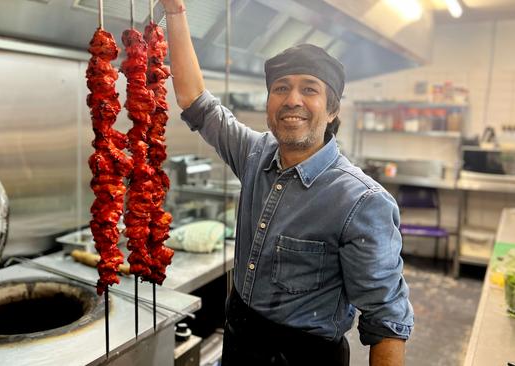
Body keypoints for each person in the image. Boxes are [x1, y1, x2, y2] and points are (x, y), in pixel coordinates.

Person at [160, 1, 413, 365]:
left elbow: (386, 321)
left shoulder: (360, 201)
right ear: (269, 102)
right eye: (281, 88)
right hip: (238, 347)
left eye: (309, 89)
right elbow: (195, 102)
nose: (292, 99)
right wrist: (175, 12)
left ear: (332, 109)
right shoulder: (254, 154)